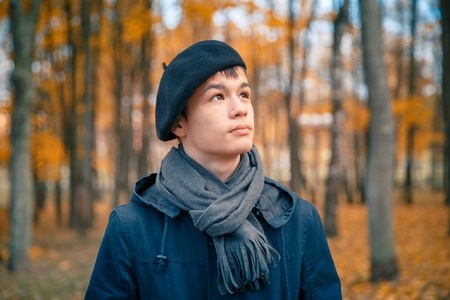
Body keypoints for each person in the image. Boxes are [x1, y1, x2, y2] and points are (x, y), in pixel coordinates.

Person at [85, 40, 341, 299]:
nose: (240, 109)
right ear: (178, 124)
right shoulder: (131, 229)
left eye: (244, 94)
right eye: (217, 96)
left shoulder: (297, 220)